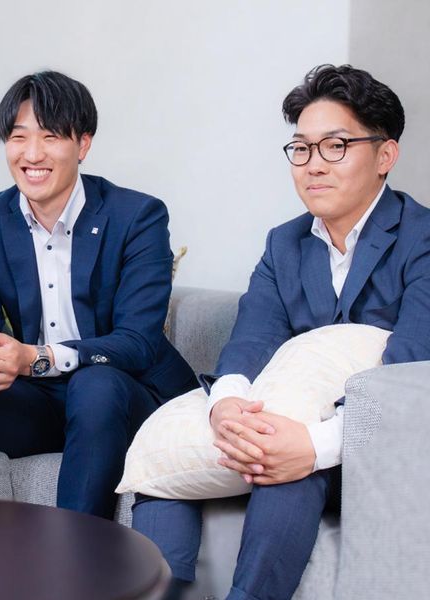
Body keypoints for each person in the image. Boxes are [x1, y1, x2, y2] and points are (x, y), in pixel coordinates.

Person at [132, 64, 430, 599]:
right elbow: (250, 339)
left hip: (380, 447)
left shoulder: (421, 238)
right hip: (286, 428)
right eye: (301, 148)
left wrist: (311, 445)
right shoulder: (284, 244)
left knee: (285, 467)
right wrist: (226, 407)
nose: (313, 165)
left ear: (385, 155)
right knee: (166, 469)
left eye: (335, 146)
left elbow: (410, 370)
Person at [0, 70, 197, 519]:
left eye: (50, 136)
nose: (32, 154)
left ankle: (75, 553)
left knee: (94, 384)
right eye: (18, 136)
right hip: (39, 405)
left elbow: (137, 343)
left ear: (83, 144)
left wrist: (35, 358)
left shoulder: (137, 215)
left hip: (123, 399)